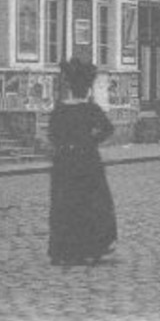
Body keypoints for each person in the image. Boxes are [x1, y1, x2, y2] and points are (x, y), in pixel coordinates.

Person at [46, 57, 117, 266]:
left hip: (64, 162)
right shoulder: (91, 109)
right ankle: (90, 247)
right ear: (86, 88)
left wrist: (63, 145)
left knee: (65, 203)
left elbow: (52, 134)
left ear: (70, 87)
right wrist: (91, 141)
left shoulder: (60, 109)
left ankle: (64, 249)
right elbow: (108, 129)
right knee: (90, 203)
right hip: (87, 161)